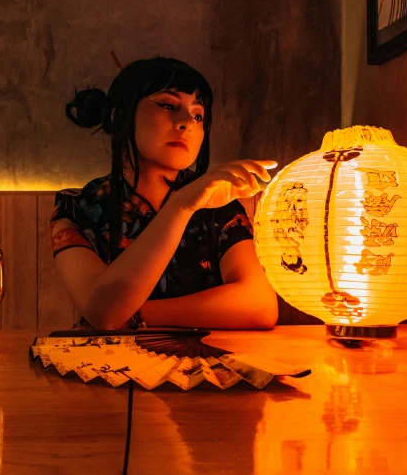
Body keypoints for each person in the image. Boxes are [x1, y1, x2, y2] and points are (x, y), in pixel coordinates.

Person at [51, 56, 279, 330]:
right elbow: (104, 313)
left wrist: (137, 315)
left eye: (198, 115)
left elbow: (260, 305)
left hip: (205, 362)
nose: (187, 123)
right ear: (120, 116)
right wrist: (180, 206)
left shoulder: (217, 200)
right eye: (168, 106)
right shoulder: (78, 209)